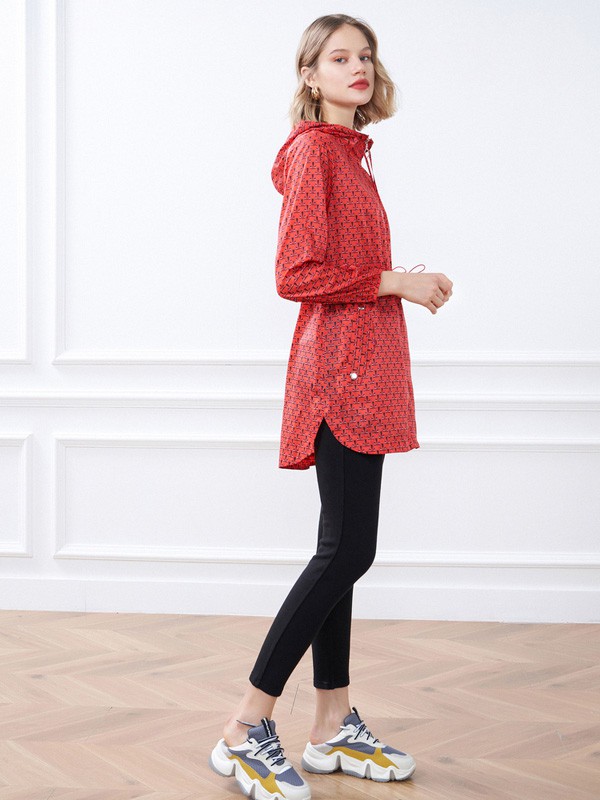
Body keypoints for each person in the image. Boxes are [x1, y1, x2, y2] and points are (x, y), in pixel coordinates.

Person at [209, 13, 453, 800]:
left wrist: (398, 284)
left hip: (364, 370)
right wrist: (400, 282)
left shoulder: (351, 154)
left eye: (366, 55)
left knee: (343, 548)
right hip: (340, 376)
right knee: (347, 551)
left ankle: (331, 723)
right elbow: (296, 274)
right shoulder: (316, 151)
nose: (359, 66)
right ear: (309, 75)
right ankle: (245, 725)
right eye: (339, 57)